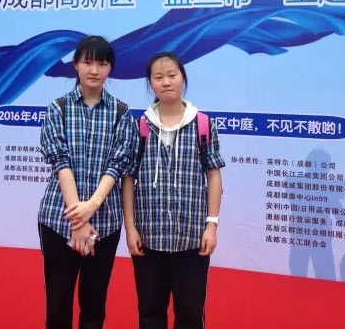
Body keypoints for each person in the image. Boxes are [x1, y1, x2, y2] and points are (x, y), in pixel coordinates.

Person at [38, 35, 138, 329]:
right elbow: (61, 162)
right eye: (88, 62)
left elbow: (117, 165)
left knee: (94, 307)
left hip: (105, 223)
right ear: (76, 65)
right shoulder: (58, 108)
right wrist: (78, 221)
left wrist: (92, 206)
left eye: (102, 64)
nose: (94, 70)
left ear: (110, 68)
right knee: (58, 306)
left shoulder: (122, 113)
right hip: (58, 221)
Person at [122, 52, 225, 329]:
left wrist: (211, 225)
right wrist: (131, 228)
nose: (166, 82)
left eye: (172, 75)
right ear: (150, 84)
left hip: (192, 240)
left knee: (190, 314)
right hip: (148, 239)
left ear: (183, 78)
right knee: (150, 314)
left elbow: (214, 176)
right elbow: (128, 179)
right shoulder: (140, 127)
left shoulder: (202, 125)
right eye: (158, 77)